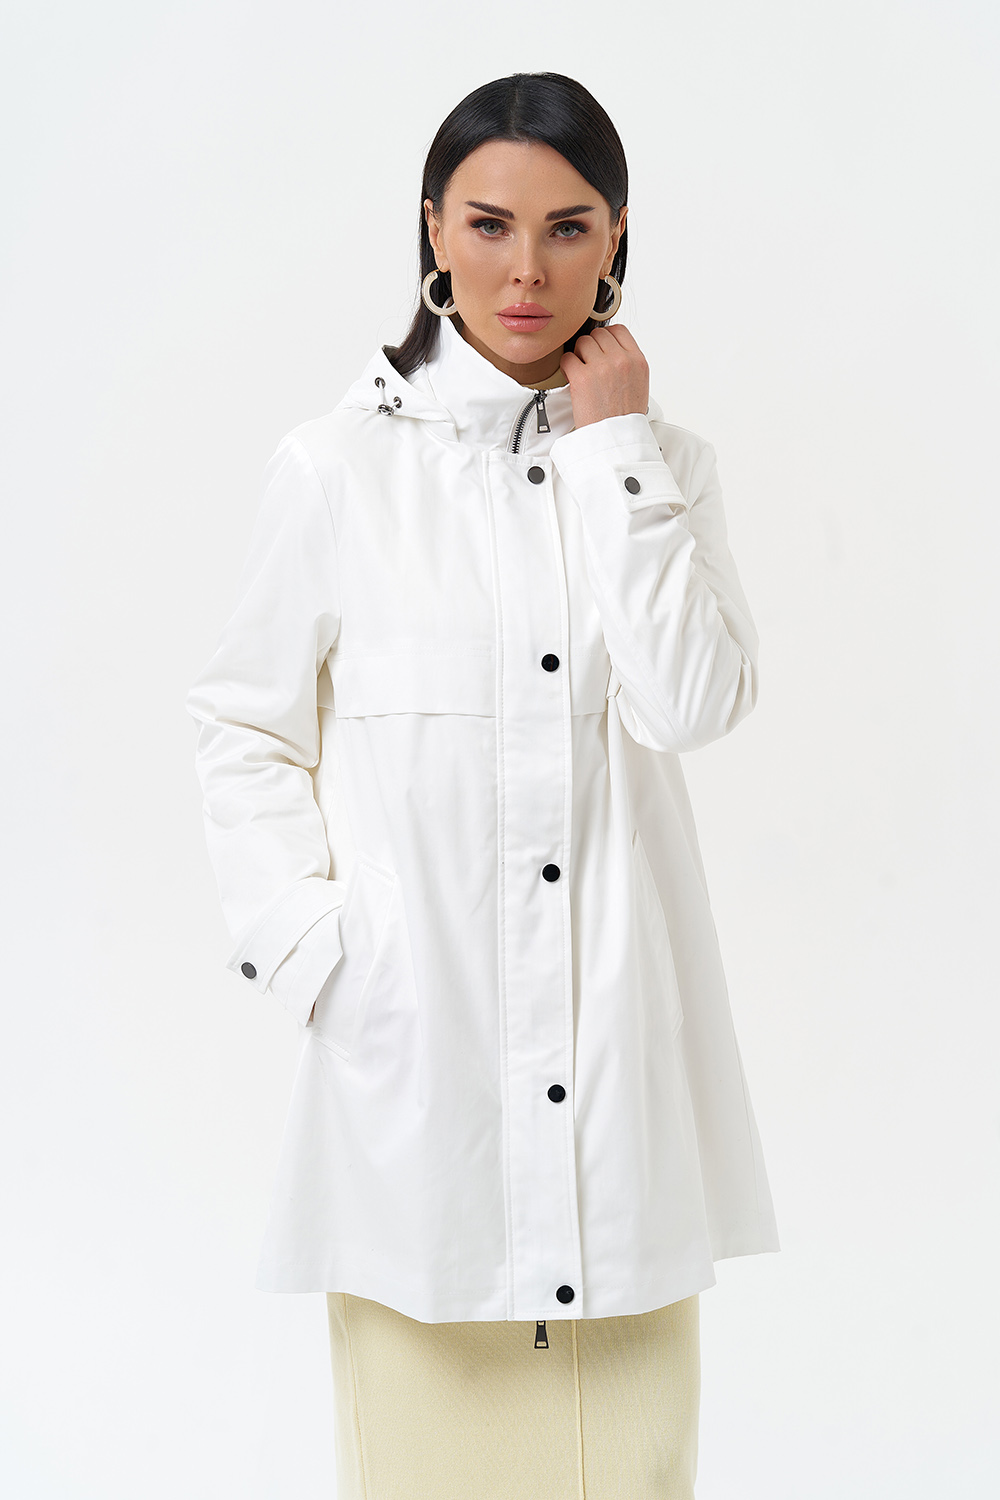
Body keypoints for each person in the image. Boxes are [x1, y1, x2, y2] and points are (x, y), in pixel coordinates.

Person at [186, 70, 780, 1500]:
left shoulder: (664, 470)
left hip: (621, 1105)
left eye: (569, 228)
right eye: (491, 224)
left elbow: (692, 704)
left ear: (615, 238)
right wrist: (326, 958)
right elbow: (244, 729)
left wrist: (614, 451)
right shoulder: (337, 471)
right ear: (433, 231)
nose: (528, 270)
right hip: (419, 1102)